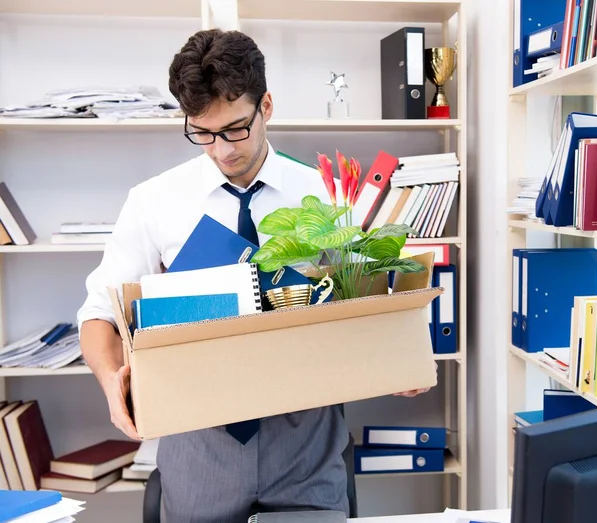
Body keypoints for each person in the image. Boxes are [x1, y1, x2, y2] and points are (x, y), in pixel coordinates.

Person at [77, 28, 431, 523]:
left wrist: (396, 354)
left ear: (265, 105)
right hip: (200, 444)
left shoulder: (325, 194)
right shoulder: (153, 201)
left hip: (305, 444)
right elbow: (99, 314)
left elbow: (361, 296)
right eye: (202, 132)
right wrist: (112, 380)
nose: (221, 150)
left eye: (236, 128)